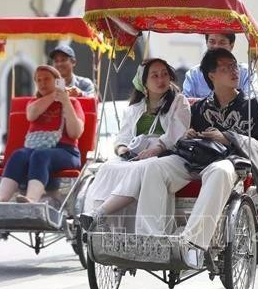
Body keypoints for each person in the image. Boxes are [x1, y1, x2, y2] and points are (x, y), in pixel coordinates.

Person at [133, 48, 258, 267]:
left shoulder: (252, 106)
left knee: (219, 171)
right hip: (196, 159)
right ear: (211, 75)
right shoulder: (199, 107)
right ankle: (151, 240)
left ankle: (193, 244)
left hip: (232, 165)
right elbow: (182, 142)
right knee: (155, 167)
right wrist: (187, 135)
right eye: (226, 68)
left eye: (234, 66)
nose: (234, 71)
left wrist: (229, 137)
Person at [79, 58, 190, 230]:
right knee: (108, 168)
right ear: (143, 82)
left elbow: (177, 131)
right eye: (154, 76)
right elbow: (122, 137)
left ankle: (99, 214)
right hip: (136, 155)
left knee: (143, 168)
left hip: (167, 154)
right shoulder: (135, 108)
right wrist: (122, 149)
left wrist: (156, 148)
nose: (161, 80)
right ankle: (104, 225)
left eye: (165, 74)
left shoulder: (179, 102)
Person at [0, 65, 85, 204]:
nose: (42, 83)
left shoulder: (72, 103)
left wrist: (65, 101)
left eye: (47, 79)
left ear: (57, 81)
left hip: (66, 152)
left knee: (41, 155)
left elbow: (75, 133)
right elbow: (31, 115)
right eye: (39, 80)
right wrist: (53, 95)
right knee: (18, 155)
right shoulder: (34, 103)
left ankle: (31, 198)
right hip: (34, 149)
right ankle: (1, 197)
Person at [182, 34, 256, 98]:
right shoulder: (193, 74)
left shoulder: (247, 72)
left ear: (232, 45)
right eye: (212, 42)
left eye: (222, 42)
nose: (216, 46)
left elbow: (253, 100)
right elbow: (186, 104)